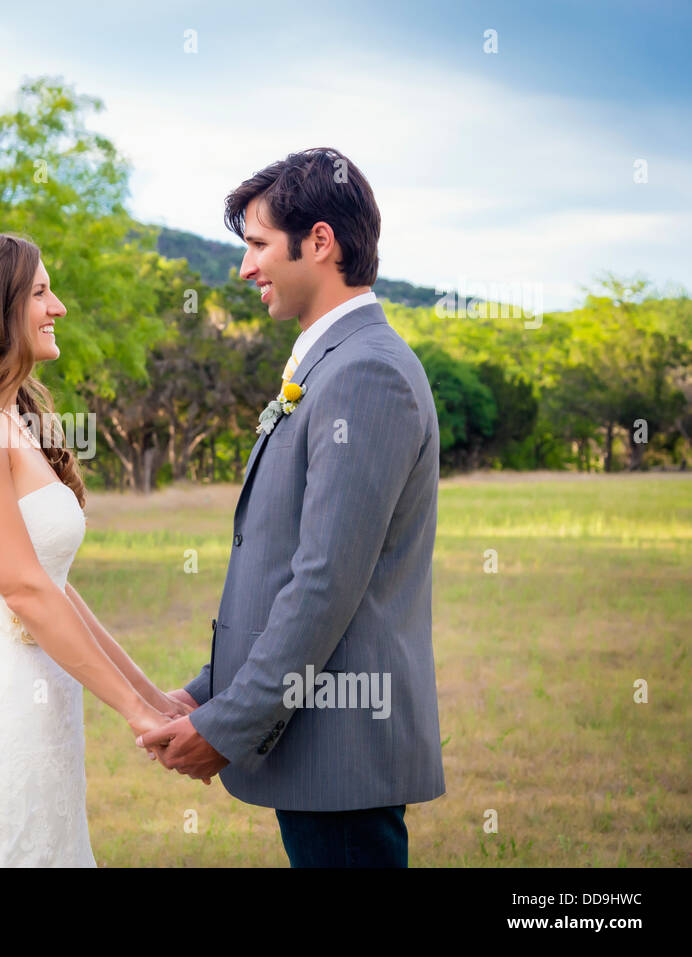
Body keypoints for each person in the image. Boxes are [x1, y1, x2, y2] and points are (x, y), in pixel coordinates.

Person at [138, 148, 447, 867]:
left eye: (256, 245)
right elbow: (281, 563)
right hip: (312, 739)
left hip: (340, 750)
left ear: (319, 241)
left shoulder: (365, 371)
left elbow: (324, 583)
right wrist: (207, 692)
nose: (245, 269)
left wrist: (229, 725)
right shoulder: (328, 362)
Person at [0, 232, 187, 867]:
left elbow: (52, 583)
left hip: (38, 687)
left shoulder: (9, 415)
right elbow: (22, 588)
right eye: (41, 292)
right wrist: (136, 715)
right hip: (0, 694)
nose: (59, 307)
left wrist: (154, 697)